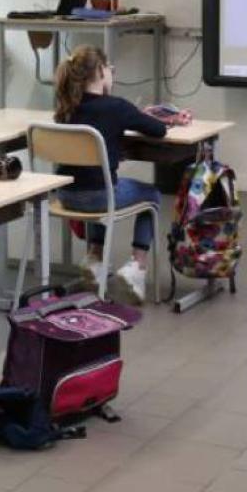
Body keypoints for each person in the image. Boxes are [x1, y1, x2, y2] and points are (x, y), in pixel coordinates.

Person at [52, 45, 166, 304]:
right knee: (152, 194)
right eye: (110, 70)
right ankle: (137, 266)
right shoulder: (117, 107)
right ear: (102, 71)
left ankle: (95, 257)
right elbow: (158, 130)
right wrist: (137, 115)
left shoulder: (66, 107)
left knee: (97, 184)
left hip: (65, 195)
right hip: (99, 196)